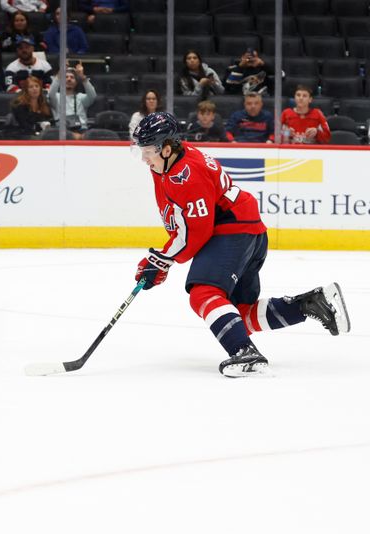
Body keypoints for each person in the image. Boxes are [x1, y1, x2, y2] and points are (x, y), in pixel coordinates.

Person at [131, 111, 350, 377]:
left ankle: (244, 352)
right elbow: (185, 225)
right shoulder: (172, 160)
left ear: (166, 148)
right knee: (238, 315)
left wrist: (162, 260)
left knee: (203, 294)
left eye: (149, 151)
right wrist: (163, 258)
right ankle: (311, 304)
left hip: (233, 230)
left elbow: (197, 232)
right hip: (247, 228)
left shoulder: (187, 175)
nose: (144, 158)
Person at [48, 62, 96, 138]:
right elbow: (50, 94)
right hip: (62, 131)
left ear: (76, 82)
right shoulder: (56, 97)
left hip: (81, 130)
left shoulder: (81, 97)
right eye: (66, 77)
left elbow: (92, 96)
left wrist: (83, 78)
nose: (69, 79)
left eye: (72, 77)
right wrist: (59, 75)